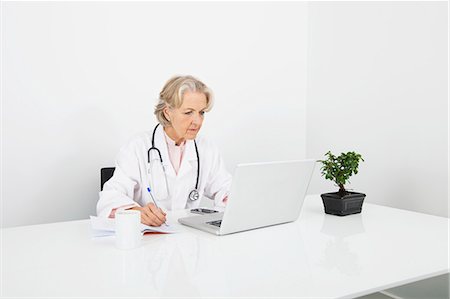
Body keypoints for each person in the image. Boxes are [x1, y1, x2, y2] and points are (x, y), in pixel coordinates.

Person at [97, 75, 232, 226]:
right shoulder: (138, 146)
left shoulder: (206, 148)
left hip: (189, 237)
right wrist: (135, 212)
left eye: (201, 113)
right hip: (148, 239)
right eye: (188, 112)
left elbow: (226, 188)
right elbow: (110, 197)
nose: (198, 121)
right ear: (168, 112)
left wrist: (234, 199)